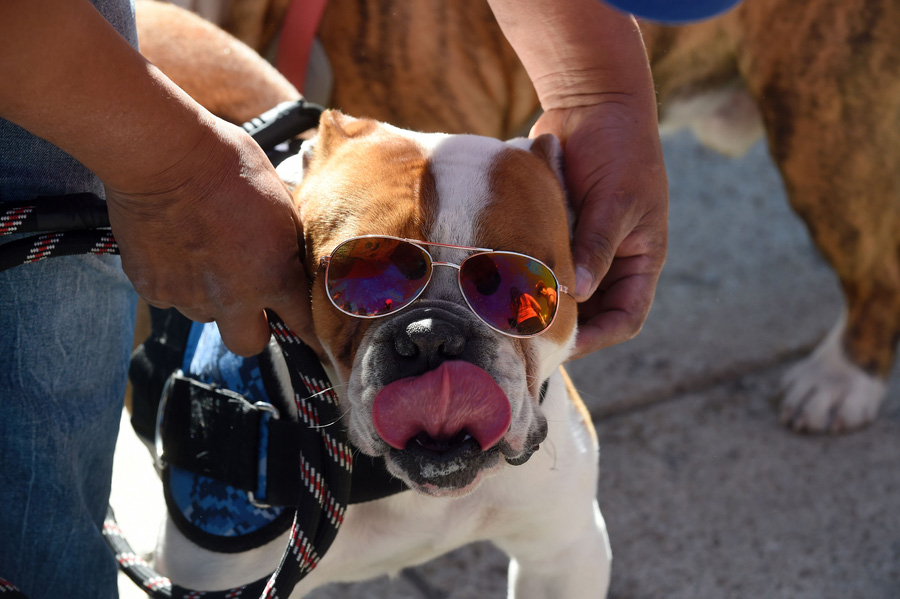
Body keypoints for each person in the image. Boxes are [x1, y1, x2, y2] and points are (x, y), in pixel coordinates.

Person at [0, 0, 731, 595]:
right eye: (370, 279)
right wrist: (174, 175)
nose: (440, 344)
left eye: (511, 291)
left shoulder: (540, 438)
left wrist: (599, 91)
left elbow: (564, 559)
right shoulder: (240, 441)